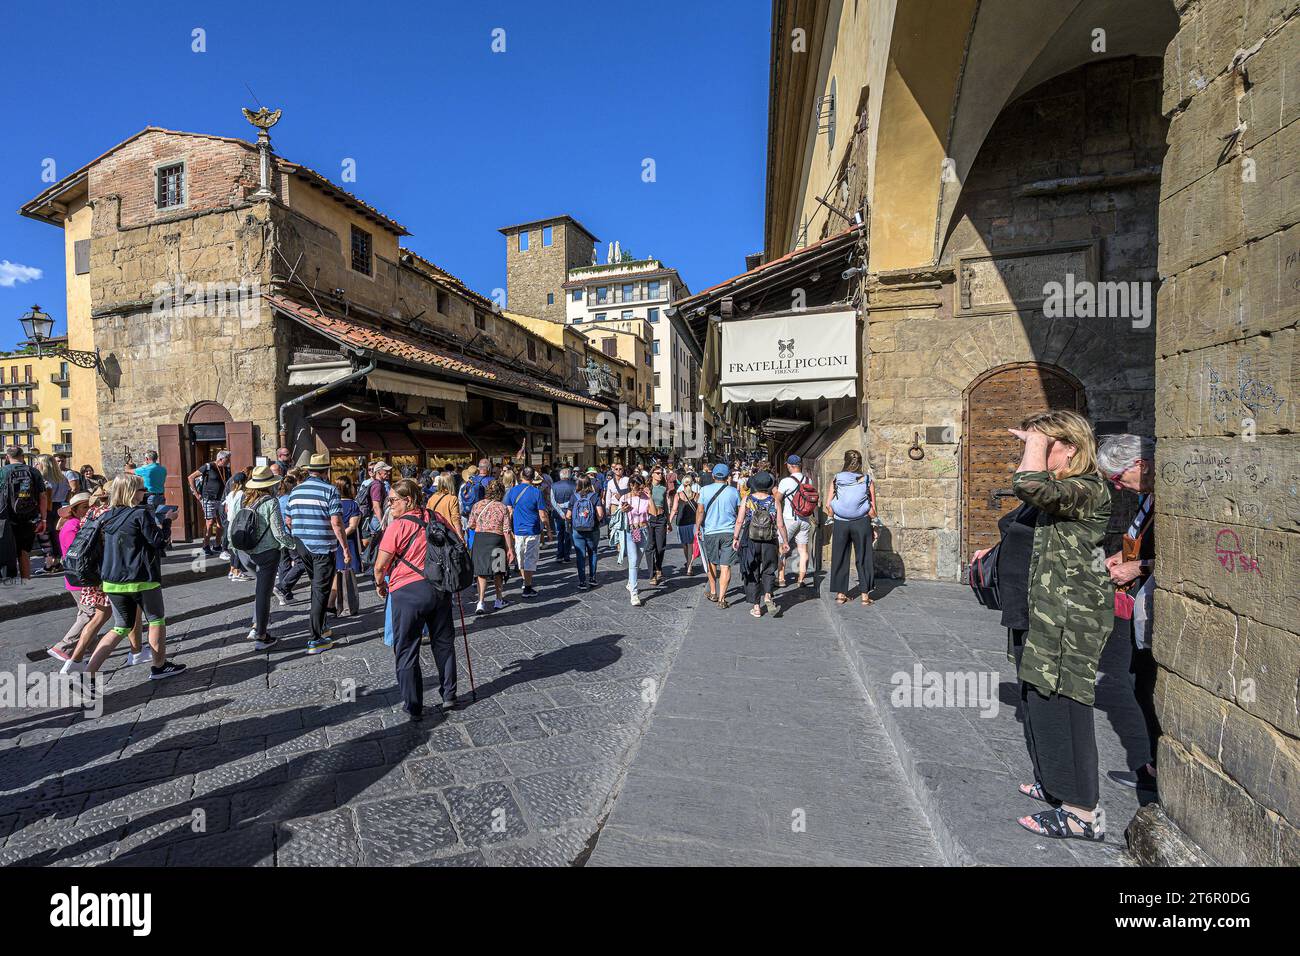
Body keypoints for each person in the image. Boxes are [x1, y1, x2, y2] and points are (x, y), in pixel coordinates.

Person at [1002, 410, 1112, 842]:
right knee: (1038, 699)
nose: (1032, 453)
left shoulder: (1086, 488)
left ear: (1070, 448)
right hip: (1042, 612)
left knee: (1065, 704)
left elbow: (1028, 484)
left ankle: (1081, 811)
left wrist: (1033, 441)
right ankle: (1054, 782)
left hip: (1070, 617)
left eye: (1045, 445)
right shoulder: (1063, 490)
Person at [1098, 433, 1159, 793]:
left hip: (1154, 609)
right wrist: (1126, 556)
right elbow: (1142, 538)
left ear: (1140, 465)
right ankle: (1156, 762)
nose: (1118, 487)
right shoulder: (1148, 497)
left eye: (1119, 478)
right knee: (1141, 682)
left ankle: (1159, 769)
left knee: (1148, 685)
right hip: (1144, 607)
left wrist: (1138, 569)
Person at [84, 473, 185, 682]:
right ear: (132, 492)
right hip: (141, 578)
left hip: (112, 580)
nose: (145, 493)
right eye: (141, 489)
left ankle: (88, 673)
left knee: (120, 627)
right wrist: (167, 522)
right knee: (156, 620)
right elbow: (159, 542)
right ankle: (159, 666)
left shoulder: (107, 515)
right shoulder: (141, 514)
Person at [373, 479, 458, 720]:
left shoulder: (398, 527)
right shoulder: (436, 518)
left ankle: (413, 705)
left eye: (393, 500)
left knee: (407, 648)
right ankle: (449, 695)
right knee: (443, 643)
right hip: (439, 588)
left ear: (407, 500)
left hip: (407, 592)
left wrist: (381, 585)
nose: (390, 505)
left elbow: (380, 566)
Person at [284, 454, 352, 654]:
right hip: (323, 546)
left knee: (316, 585)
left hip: (301, 544)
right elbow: (336, 523)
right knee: (320, 590)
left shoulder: (296, 490)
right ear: (325, 471)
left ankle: (322, 626)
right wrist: (345, 549)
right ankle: (315, 638)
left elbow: (288, 519)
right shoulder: (330, 490)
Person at [237, 465, 295, 649]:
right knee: (264, 592)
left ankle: (256, 625)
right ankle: (261, 635)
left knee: (260, 588)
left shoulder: (244, 500)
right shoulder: (271, 502)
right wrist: (294, 545)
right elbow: (279, 532)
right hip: (266, 554)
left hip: (244, 552)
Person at [732, 470, 789, 618]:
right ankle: (768, 595)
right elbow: (780, 524)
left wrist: (735, 537)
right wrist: (785, 541)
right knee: (769, 569)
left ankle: (756, 606)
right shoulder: (774, 500)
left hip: (750, 540)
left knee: (752, 570)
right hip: (770, 540)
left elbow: (739, 521)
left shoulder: (747, 499)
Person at [827, 450, 876, 606]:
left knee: (840, 557)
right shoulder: (867, 480)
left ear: (845, 461)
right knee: (864, 557)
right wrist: (875, 527)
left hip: (841, 523)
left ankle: (841, 595)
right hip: (861, 522)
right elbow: (873, 507)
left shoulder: (836, 479)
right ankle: (864, 596)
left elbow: (829, 505)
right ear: (860, 462)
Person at [0, 446, 48, 582]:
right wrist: (43, 519)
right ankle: (26, 580)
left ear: (7, 458)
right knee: (24, 551)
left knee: (6, 550)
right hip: (29, 516)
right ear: (23, 457)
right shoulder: (33, 472)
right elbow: (43, 496)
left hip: (6, 518)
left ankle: (9, 580)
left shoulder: (2, 472)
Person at [697, 463, 741, 608]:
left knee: (712, 562)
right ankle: (722, 599)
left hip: (710, 532)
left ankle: (714, 591)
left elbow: (700, 511)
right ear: (728, 476)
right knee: (725, 566)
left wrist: (697, 527)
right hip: (729, 532)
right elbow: (739, 512)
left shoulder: (704, 490)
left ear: (713, 475)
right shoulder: (734, 492)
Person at [467, 478, 513, 613]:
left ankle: (480, 602)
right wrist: (510, 549)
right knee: (498, 572)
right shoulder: (502, 507)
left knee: (481, 573)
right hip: (496, 540)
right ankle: (498, 600)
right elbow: (506, 530)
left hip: (480, 540)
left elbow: (471, 524)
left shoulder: (477, 505)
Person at [504, 466, 548, 596]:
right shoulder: (536, 492)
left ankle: (525, 581)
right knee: (530, 559)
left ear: (521, 476)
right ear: (533, 477)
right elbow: (542, 514)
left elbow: (509, 511)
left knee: (521, 558)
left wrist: (509, 528)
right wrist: (547, 528)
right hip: (532, 529)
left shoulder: (512, 491)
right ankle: (527, 587)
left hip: (518, 529)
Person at [775, 454, 815, 589]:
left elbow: (777, 499)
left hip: (789, 519)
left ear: (790, 466)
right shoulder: (809, 480)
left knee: (782, 549)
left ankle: (781, 578)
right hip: (804, 519)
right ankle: (801, 579)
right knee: (803, 550)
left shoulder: (785, 481)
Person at [618, 474, 658, 606]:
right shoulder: (625, 498)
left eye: (642, 488)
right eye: (637, 488)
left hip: (643, 530)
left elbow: (654, 513)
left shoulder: (646, 497)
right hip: (632, 530)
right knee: (633, 560)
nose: (640, 491)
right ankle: (634, 593)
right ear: (631, 486)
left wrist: (650, 496)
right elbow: (618, 516)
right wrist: (622, 510)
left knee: (638, 558)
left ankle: (631, 581)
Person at [328, 475, 363, 618]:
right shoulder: (353, 505)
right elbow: (353, 527)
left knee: (336, 573)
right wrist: (341, 537)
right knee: (345, 574)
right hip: (347, 542)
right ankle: (338, 605)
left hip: (332, 542)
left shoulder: (331, 503)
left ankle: (333, 604)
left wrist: (334, 537)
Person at [188, 450, 231, 557]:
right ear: (221, 459)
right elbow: (191, 477)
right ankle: (205, 546)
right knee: (210, 522)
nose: (229, 461)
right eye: (227, 459)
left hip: (221, 499)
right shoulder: (208, 466)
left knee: (221, 524)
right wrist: (196, 494)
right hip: (208, 498)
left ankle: (217, 545)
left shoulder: (226, 469)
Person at [567, 474, 604, 589]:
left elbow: (568, 515)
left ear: (577, 484)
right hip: (592, 530)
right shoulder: (595, 496)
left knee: (580, 555)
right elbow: (600, 515)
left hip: (577, 530)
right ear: (589, 484)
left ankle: (582, 581)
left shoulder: (574, 497)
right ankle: (592, 578)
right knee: (593, 553)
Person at [273, 472, 304, 606]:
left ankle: (286, 595)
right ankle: (282, 587)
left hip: (279, 536)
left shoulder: (277, 499)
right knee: (300, 563)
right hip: (289, 535)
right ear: (291, 485)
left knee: (284, 564)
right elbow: (290, 520)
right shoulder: (291, 499)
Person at [33, 454, 66, 575]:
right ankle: (56, 563)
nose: (35, 465)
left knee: (44, 537)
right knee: (55, 536)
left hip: (46, 508)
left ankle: (48, 565)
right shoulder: (62, 478)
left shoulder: (43, 479)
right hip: (58, 507)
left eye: (37, 462)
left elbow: (45, 497)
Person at [669, 470, 700, 575]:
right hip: (693, 523)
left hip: (681, 523)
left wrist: (669, 521)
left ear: (683, 483)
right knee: (691, 544)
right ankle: (689, 566)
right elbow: (700, 510)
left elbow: (674, 510)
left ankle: (688, 562)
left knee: (685, 545)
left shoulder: (678, 495)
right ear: (692, 483)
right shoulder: (696, 495)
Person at [645, 465, 671, 585]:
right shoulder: (646, 488)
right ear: (652, 474)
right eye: (658, 473)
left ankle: (658, 567)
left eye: (661, 473)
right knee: (650, 547)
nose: (660, 475)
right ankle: (652, 574)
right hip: (649, 518)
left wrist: (669, 521)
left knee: (660, 547)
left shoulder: (663, 488)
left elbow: (665, 505)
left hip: (661, 518)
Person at [604, 462, 631, 565]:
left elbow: (630, 491)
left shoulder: (627, 480)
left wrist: (622, 495)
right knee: (616, 525)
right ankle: (619, 545)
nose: (619, 471)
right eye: (617, 469)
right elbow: (608, 495)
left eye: (620, 469)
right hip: (614, 506)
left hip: (625, 504)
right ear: (613, 470)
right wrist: (607, 508)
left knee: (626, 524)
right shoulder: (610, 482)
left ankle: (626, 543)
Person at [425, 473, 464, 543]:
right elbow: (455, 519)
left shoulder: (432, 498)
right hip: (449, 534)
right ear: (451, 483)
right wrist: (460, 537)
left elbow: (427, 516)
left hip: (436, 534)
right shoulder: (452, 499)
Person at [549, 467, 576, 564]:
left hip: (557, 513)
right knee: (568, 534)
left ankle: (559, 555)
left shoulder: (554, 486)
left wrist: (560, 511)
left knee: (560, 534)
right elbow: (575, 499)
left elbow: (552, 501)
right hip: (569, 512)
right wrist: (567, 507)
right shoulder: (573, 485)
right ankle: (566, 556)